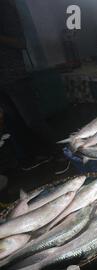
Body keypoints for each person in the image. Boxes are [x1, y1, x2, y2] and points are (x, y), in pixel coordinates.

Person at [0, 0, 61, 171]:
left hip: (15, 76)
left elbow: (21, 43)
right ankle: (38, 156)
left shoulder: (5, 7)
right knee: (15, 123)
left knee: (33, 121)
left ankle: (60, 154)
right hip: (1, 82)